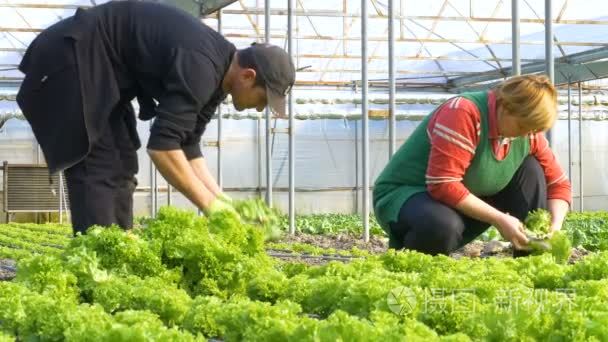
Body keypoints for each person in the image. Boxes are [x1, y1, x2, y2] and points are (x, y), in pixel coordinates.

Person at [16, 1, 295, 234]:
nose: (261, 109)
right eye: (263, 99)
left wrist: (223, 203)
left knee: (122, 161)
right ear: (248, 76)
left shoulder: (219, 76)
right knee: (98, 167)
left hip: (102, 71)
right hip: (71, 58)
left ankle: (118, 252)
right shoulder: (201, 67)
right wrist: (212, 208)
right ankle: (100, 263)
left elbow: (187, 145)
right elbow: (163, 149)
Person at [373, 74, 571, 256]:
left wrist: (555, 225)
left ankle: (531, 262)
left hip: (462, 197)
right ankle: (411, 267)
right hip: (408, 196)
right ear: (506, 105)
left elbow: (559, 184)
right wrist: (500, 219)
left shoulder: (528, 134)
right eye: (522, 126)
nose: (525, 134)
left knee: (531, 169)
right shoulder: (463, 112)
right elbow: (443, 184)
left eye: (532, 129)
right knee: (441, 226)